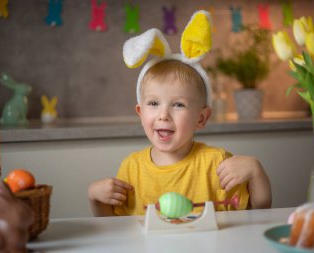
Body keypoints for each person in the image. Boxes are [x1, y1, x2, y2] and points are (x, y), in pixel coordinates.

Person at [88, 11, 271, 217]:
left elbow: (259, 212)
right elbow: (113, 228)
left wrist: (256, 172)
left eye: (178, 105)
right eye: (154, 103)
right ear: (140, 112)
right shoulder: (131, 168)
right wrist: (96, 199)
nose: (163, 115)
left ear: (201, 118)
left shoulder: (217, 163)